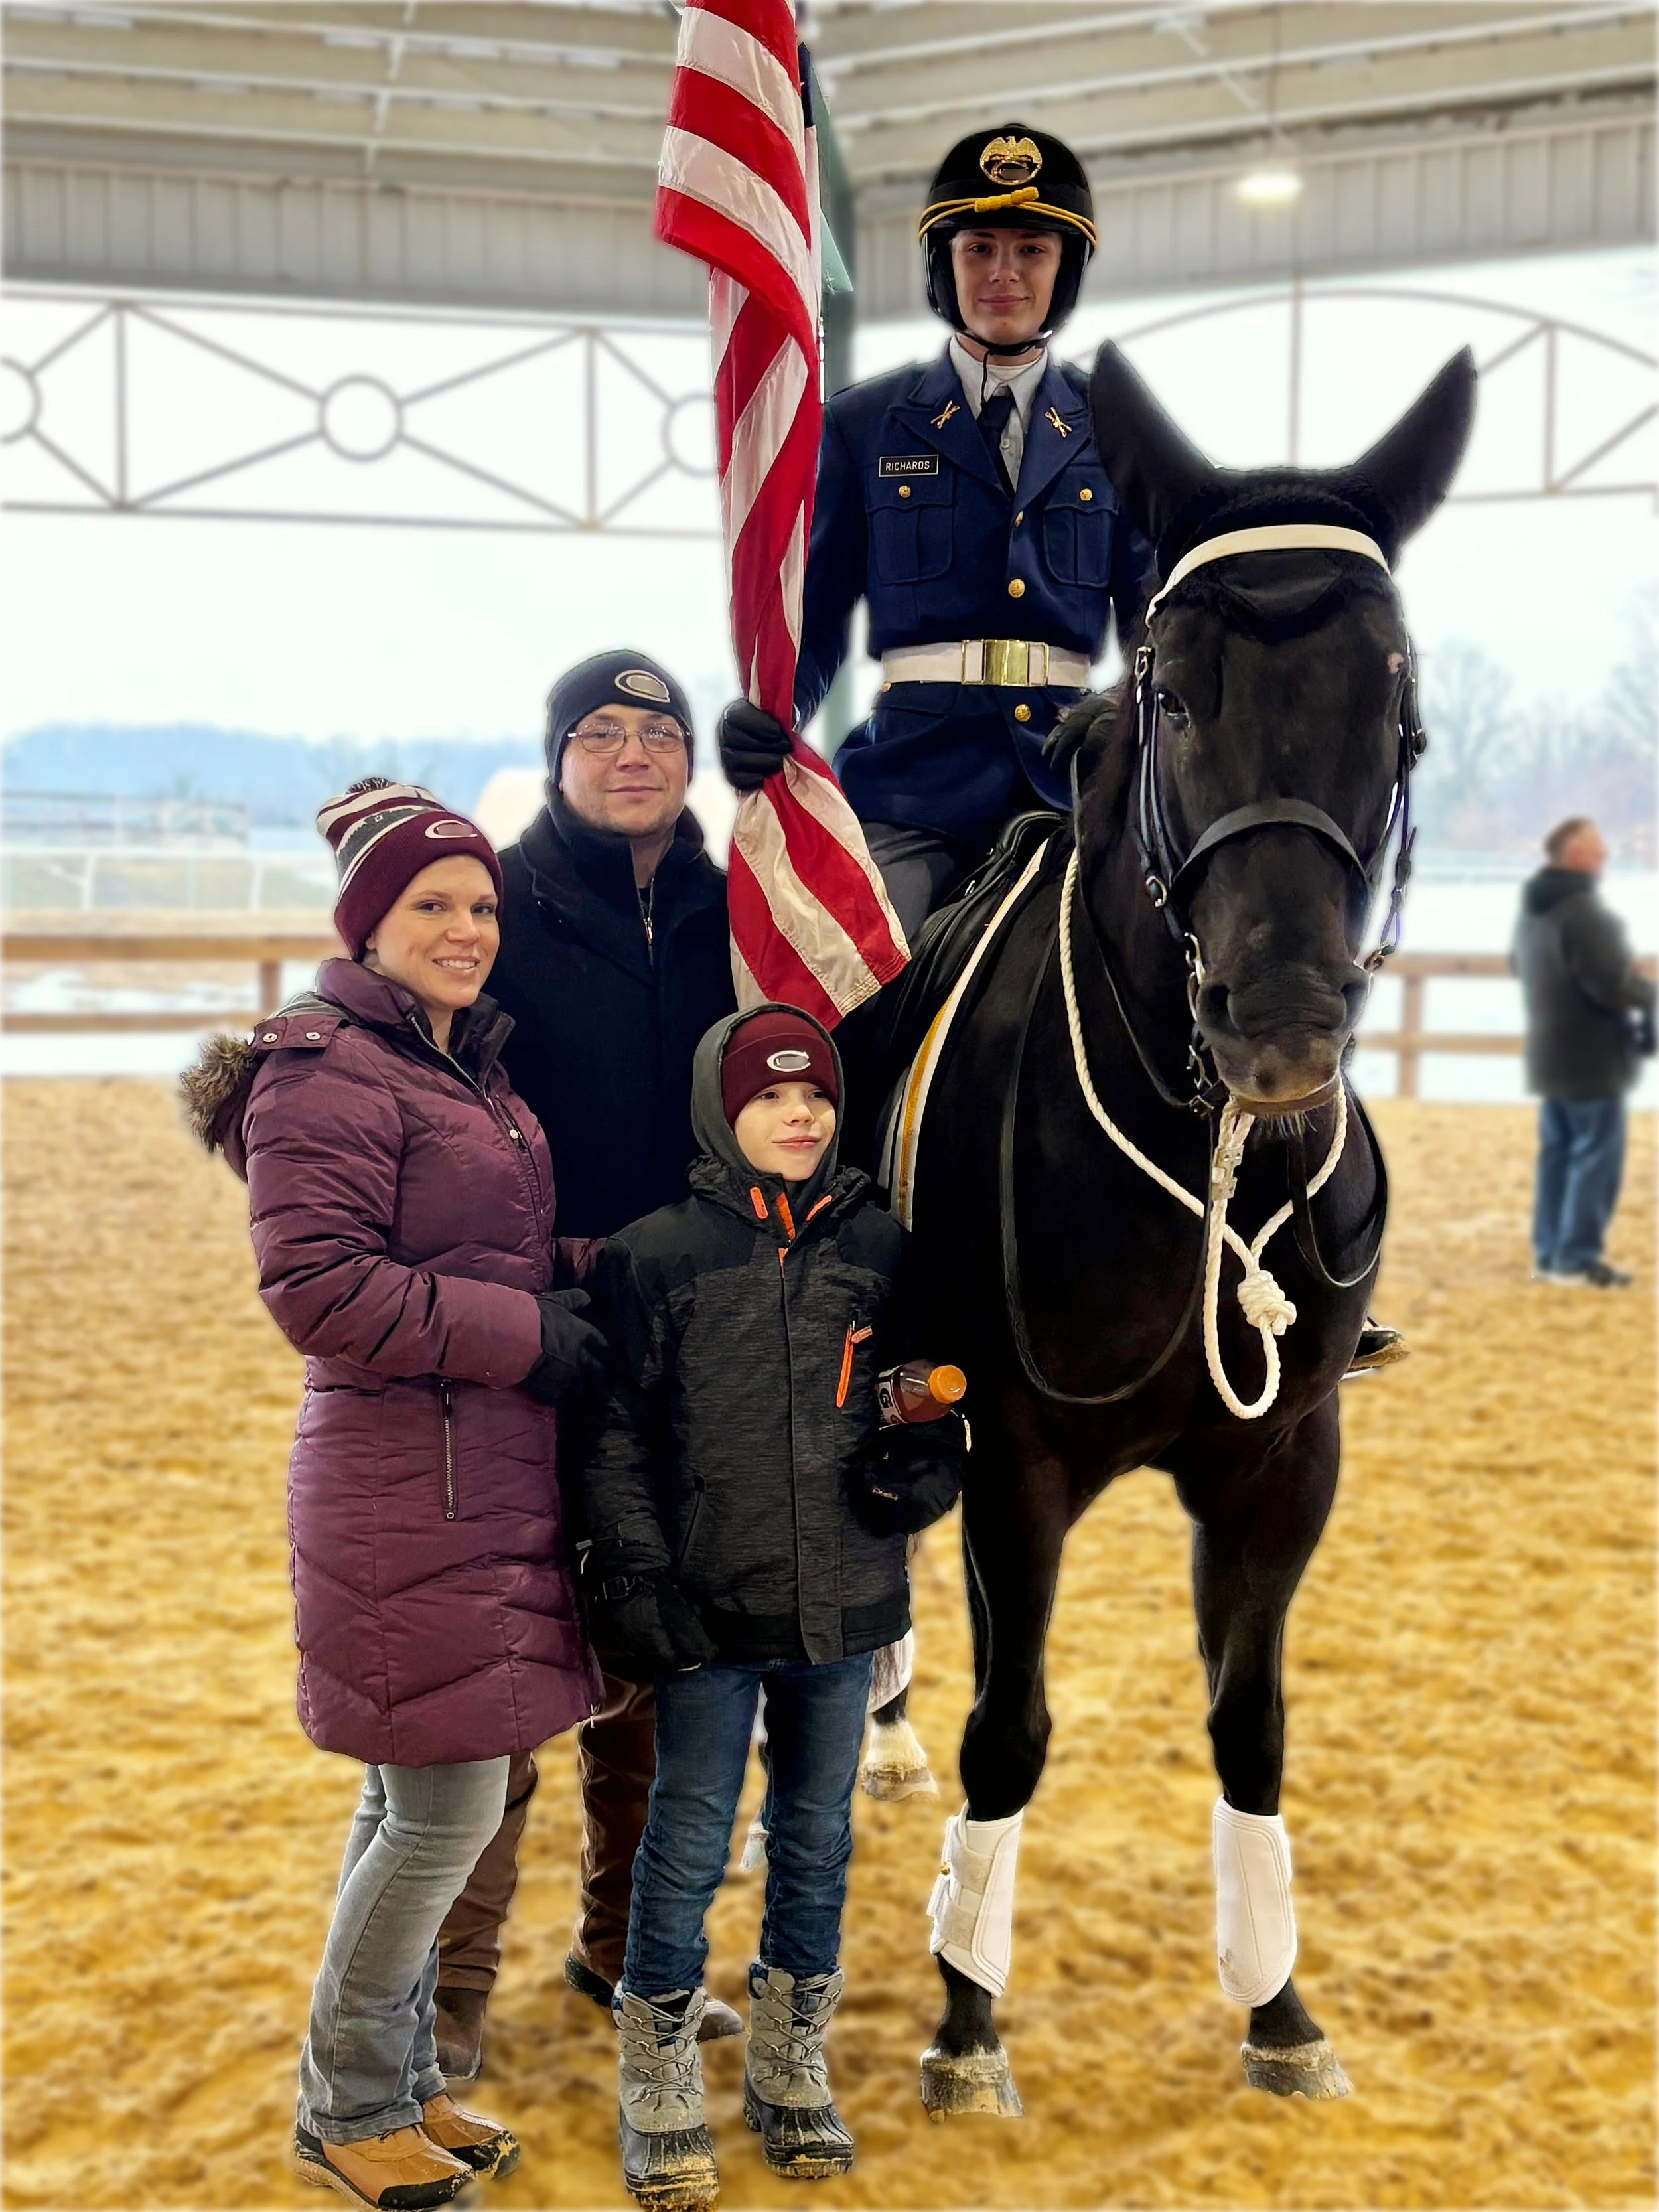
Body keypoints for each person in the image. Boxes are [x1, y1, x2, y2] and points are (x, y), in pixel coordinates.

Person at [182, 777, 610, 2209]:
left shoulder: (457, 1069)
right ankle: (346, 2103)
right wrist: (527, 1335)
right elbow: (315, 1289)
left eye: (482, 904)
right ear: (367, 922)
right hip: (400, 1481)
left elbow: (486, 1249)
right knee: (440, 1815)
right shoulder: (325, 1072)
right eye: (432, 903)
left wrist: (597, 1278)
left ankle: (400, 2084)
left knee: (416, 1800)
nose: (468, 926)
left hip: (471, 1469)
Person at [583, 1007, 964, 2207]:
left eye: (817, 1099)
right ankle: (656, 2069)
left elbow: (927, 1408)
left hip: (846, 1608)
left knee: (817, 1837)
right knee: (688, 1836)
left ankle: (793, 2056)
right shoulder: (655, 1257)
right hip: (709, 1614)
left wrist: (924, 1465)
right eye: (771, 1097)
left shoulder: (885, 1249)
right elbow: (612, 1438)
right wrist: (637, 1579)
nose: (801, 1116)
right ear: (722, 1109)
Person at [433, 650, 743, 2079]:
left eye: (659, 733)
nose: (633, 755)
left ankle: (621, 1947)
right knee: (507, 1663)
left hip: (695, 1321)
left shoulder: (735, 908)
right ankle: (443, 2000)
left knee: (662, 1650)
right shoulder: (498, 900)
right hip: (537, 1317)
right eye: (600, 734)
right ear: (556, 755)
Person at [719, 123, 1153, 940]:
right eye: (977, 248)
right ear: (942, 265)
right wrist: (772, 715)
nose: (1002, 274)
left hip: (1075, 781)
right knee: (861, 979)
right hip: (913, 785)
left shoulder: (1117, 426)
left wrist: (1128, 719)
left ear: (1064, 272)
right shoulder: (861, 425)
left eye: (1031, 250)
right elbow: (813, 611)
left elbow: (1151, 621)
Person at [1515, 815, 1655, 1287]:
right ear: (1575, 855)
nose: (1605, 857)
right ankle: (1574, 1259)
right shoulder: (1583, 913)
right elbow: (1611, 986)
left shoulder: (1534, 911)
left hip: (1550, 1054)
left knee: (1558, 1155)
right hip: (1591, 1058)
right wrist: (1648, 991)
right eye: (1597, 849)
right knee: (1595, 1157)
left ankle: (1549, 1254)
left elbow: (1524, 967)